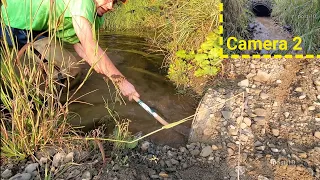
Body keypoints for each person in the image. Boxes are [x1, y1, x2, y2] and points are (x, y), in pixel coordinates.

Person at [0, 0, 140, 101]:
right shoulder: (83, 2)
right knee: (66, 73)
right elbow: (91, 48)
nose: (110, 6)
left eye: (115, 2)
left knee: (71, 71)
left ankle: (52, 104)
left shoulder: (96, 16)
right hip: (12, 22)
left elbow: (85, 49)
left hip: (36, 31)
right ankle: (34, 107)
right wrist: (122, 82)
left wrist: (108, 73)